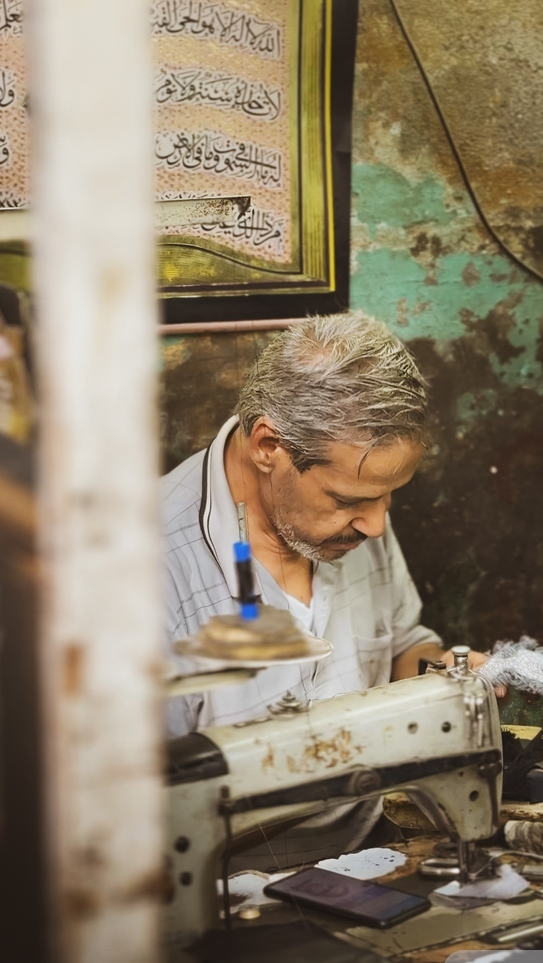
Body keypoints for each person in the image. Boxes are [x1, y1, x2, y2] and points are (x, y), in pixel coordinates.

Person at [162, 311, 490, 860]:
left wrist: (441, 673)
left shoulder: (354, 513)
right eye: (350, 500)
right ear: (268, 446)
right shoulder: (148, 571)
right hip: (227, 887)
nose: (378, 525)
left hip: (372, 852)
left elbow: (399, 648)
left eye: (389, 497)